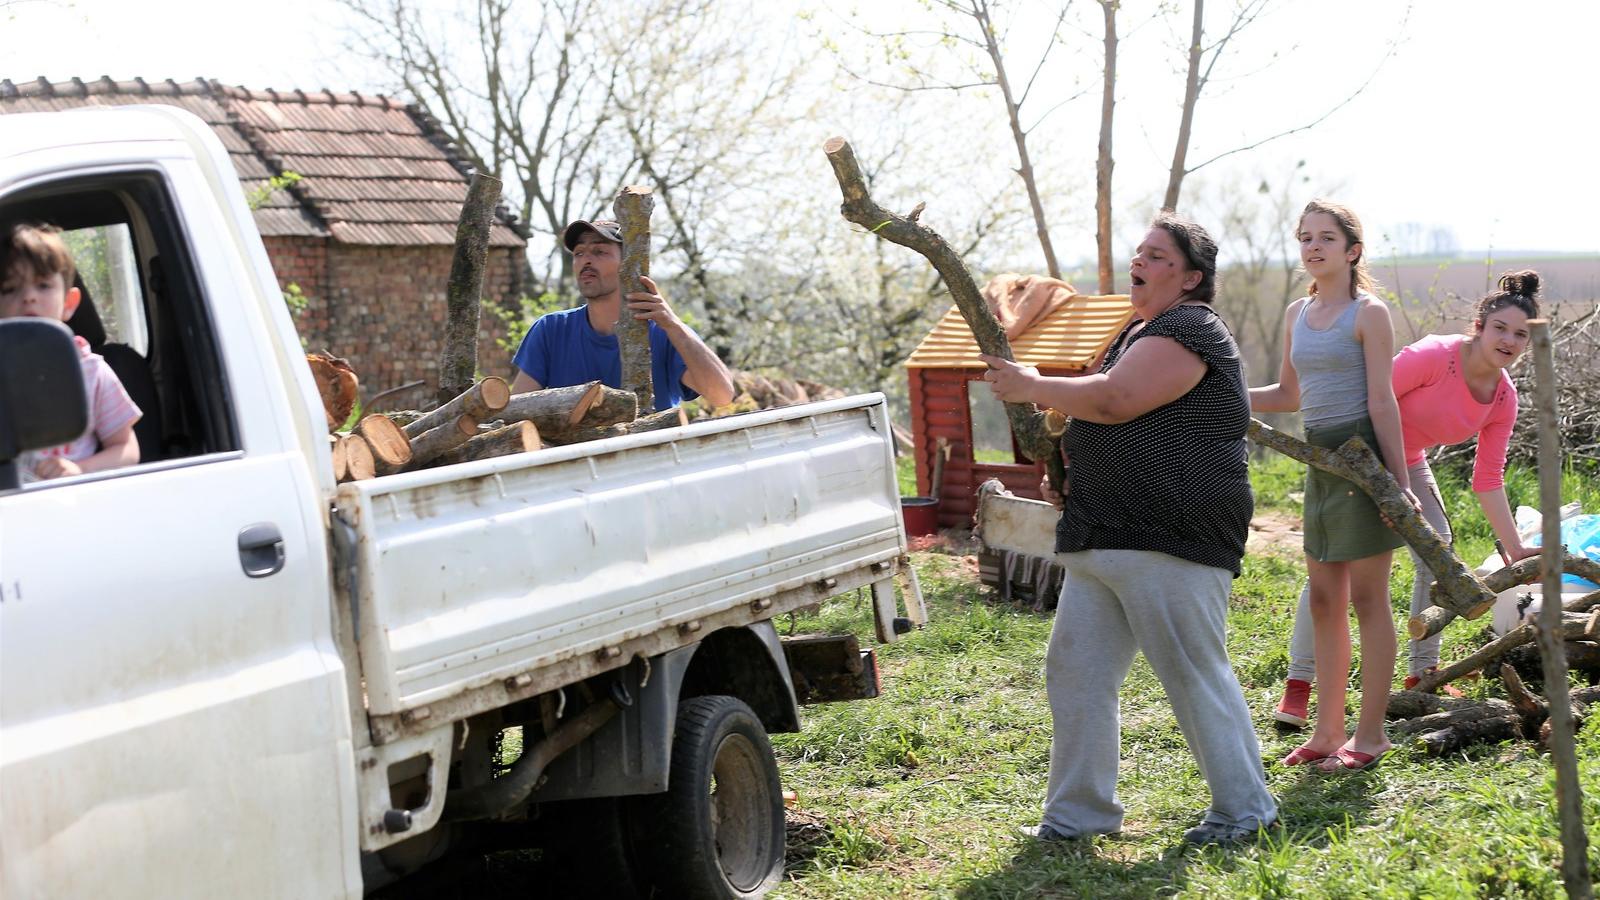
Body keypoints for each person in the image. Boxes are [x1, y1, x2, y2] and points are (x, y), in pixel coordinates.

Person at [983, 212, 1277, 846]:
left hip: (1174, 531)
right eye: (1138, 252)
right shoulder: (1138, 331)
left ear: (1192, 277)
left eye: (1156, 255)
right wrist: (1068, 472)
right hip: (1107, 536)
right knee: (1076, 671)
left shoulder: (1191, 328)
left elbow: (1116, 399)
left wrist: (1032, 384)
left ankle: (1244, 813)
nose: (1138, 262)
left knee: (1193, 671)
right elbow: (1104, 414)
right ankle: (1077, 816)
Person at [1272, 271, 1543, 722]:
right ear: (1479, 326)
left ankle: (1423, 672)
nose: (1509, 341)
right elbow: (1370, 399)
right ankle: (1300, 681)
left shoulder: (1502, 399)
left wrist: (1514, 548)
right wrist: (1379, 485)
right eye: (1501, 328)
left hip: (1408, 460)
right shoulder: (1436, 355)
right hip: (1357, 451)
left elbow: (1488, 478)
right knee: (1334, 563)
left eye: (1520, 335)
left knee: (1439, 553)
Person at [1249, 200, 1410, 773]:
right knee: (1323, 600)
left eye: (1326, 238)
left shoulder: (1369, 314)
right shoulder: (1297, 312)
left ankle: (1369, 738)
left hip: (1363, 459)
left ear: (1352, 250)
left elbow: (1382, 400)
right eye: (1305, 238)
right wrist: (1223, 395)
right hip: (1320, 461)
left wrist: (1398, 484)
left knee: (1368, 600)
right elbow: (1289, 396)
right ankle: (1327, 732)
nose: (1313, 247)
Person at [510, 219, 734, 410]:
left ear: (629, 266)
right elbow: (516, 411)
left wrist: (674, 324)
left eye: (599, 251)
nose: (585, 260)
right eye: (579, 253)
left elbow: (722, 396)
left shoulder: (665, 333)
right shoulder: (551, 330)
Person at [0, 222, 140, 483]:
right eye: (10, 289)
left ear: (69, 304)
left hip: (70, 504)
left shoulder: (90, 370)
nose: (28, 296)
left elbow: (127, 449)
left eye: (42, 286)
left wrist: (80, 469)